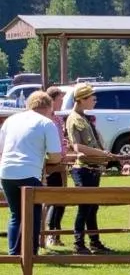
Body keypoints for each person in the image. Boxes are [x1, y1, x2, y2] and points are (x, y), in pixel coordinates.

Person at [0, 91, 62, 255]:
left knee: (15, 214)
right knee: (32, 214)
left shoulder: (11, 120)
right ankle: (30, 252)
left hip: (6, 172)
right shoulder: (46, 123)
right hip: (29, 172)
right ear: (49, 106)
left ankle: (14, 252)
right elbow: (56, 156)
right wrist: (43, 159)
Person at [64, 83, 120, 254]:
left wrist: (102, 156)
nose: (94, 100)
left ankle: (94, 242)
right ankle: (78, 243)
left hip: (93, 168)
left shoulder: (84, 117)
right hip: (83, 168)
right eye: (91, 98)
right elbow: (78, 147)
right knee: (85, 207)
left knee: (92, 207)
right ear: (81, 100)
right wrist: (103, 154)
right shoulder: (74, 119)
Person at [43, 85, 68, 246]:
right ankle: (50, 234)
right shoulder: (47, 120)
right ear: (52, 100)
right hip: (50, 164)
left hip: (61, 163)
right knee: (52, 199)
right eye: (60, 99)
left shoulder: (58, 119)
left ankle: (55, 233)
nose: (62, 102)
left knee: (61, 200)